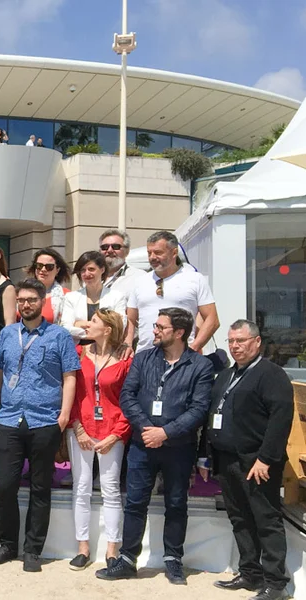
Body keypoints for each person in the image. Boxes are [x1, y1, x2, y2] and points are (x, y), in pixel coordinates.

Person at [96, 307, 214, 585]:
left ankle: (173, 560)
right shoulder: (143, 358)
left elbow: (199, 409)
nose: (154, 331)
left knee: (176, 503)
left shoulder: (200, 365)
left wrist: (165, 433)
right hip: (142, 444)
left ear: (180, 332)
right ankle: (127, 560)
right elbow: (128, 396)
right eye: (156, 326)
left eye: (161, 327)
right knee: (135, 502)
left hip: (179, 447)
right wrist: (148, 429)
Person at [0, 279, 79, 572]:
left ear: (42, 302)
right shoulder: (6, 335)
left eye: (31, 300)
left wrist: (63, 416)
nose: (26, 305)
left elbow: (70, 377)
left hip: (45, 420)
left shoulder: (59, 336)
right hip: (9, 419)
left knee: (40, 488)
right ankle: (7, 545)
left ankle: (33, 550)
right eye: (21, 300)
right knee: (6, 486)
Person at [204, 320, 294, 600]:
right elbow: (212, 415)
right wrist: (206, 456)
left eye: (240, 341)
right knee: (240, 518)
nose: (235, 346)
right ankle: (250, 573)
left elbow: (280, 420)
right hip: (227, 460)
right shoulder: (227, 375)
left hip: (256, 463)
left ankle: (275, 583)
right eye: (231, 341)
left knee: (266, 520)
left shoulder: (271, 375)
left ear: (257, 342)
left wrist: (265, 459)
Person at [66, 308, 131, 570]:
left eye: (94, 321)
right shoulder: (78, 353)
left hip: (112, 430)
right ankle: (82, 547)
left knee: (110, 489)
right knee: (81, 487)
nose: (87, 324)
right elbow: (70, 391)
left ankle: (112, 549)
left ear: (108, 329)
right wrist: (77, 426)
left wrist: (117, 434)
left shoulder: (125, 360)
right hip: (81, 427)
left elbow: (129, 399)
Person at [127, 231, 219, 353]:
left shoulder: (195, 279)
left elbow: (212, 319)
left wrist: (194, 347)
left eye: (158, 252)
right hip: (145, 356)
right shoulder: (140, 282)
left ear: (174, 252)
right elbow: (130, 319)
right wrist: (128, 345)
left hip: (182, 356)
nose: (152, 257)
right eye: (149, 253)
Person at [61, 251, 129, 342]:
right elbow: (66, 328)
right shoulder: (71, 297)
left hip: (106, 348)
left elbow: (120, 326)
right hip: (78, 348)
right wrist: (99, 330)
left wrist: (79, 324)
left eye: (91, 269)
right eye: (83, 270)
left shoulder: (117, 296)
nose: (86, 273)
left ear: (102, 269)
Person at [28, 248, 71, 326]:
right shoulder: (22, 292)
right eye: (39, 266)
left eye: (49, 267)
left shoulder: (66, 296)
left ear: (57, 270)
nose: (43, 269)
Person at [99, 229, 145, 300]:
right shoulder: (89, 276)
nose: (109, 250)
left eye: (116, 247)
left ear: (127, 251)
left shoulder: (139, 278)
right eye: (105, 247)